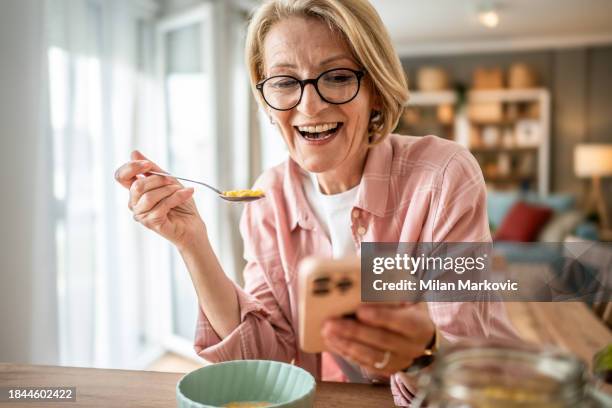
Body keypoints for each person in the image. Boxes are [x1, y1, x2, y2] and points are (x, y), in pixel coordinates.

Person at [114, 0, 518, 404]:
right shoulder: (267, 200)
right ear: (267, 102)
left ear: (375, 89)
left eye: (338, 76)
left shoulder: (443, 175)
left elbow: (467, 367)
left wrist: (420, 353)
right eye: (285, 82)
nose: (309, 106)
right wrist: (192, 242)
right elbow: (260, 359)